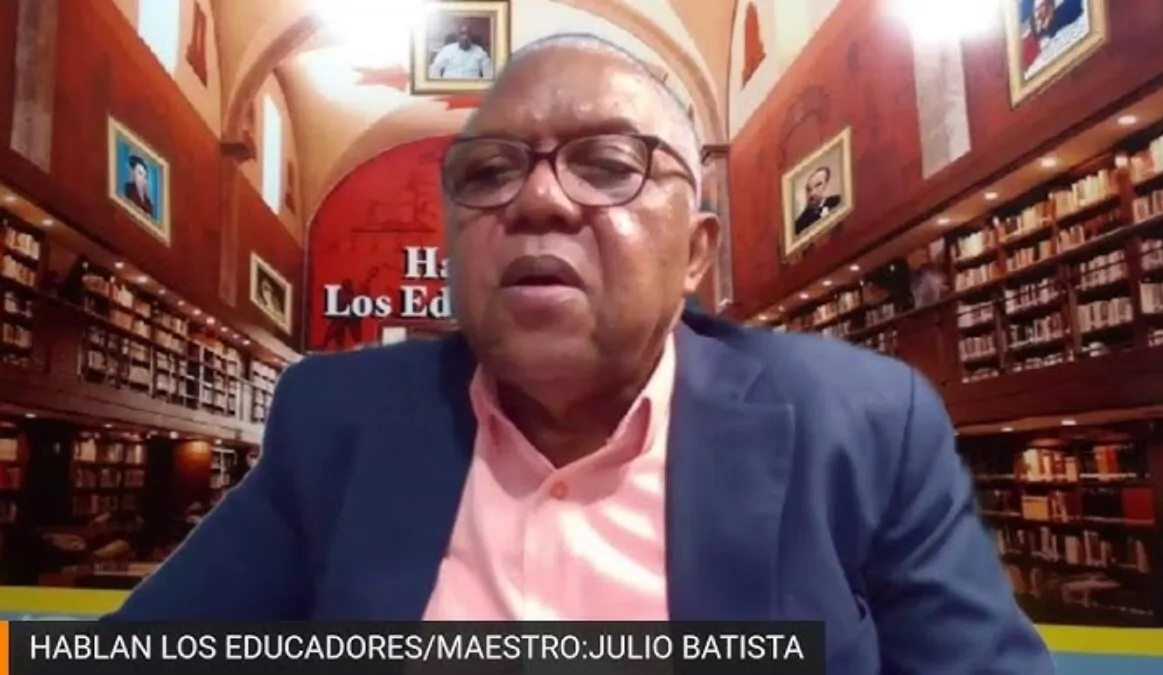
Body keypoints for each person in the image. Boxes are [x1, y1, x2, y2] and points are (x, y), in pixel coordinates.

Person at [105, 33, 1053, 674]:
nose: (538, 200)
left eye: (607, 164)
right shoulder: (337, 423)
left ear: (696, 253)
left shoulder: (867, 428)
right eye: (490, 171)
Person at [429, 23, 493, 79]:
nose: (465, 37)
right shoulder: (447, 49)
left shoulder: (479, 51)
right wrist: (438, 85)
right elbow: (434, 68)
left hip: (472, 86)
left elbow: (489, 74)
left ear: (471, 36)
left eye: (468, 34)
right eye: (462, 34)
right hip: (450, 85)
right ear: (457, 36)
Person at [793, 165, 842, 236]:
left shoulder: (838, 201)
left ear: (826, 184)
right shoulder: (800, 223)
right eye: (809, 189)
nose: (812, 193)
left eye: (818, 185)